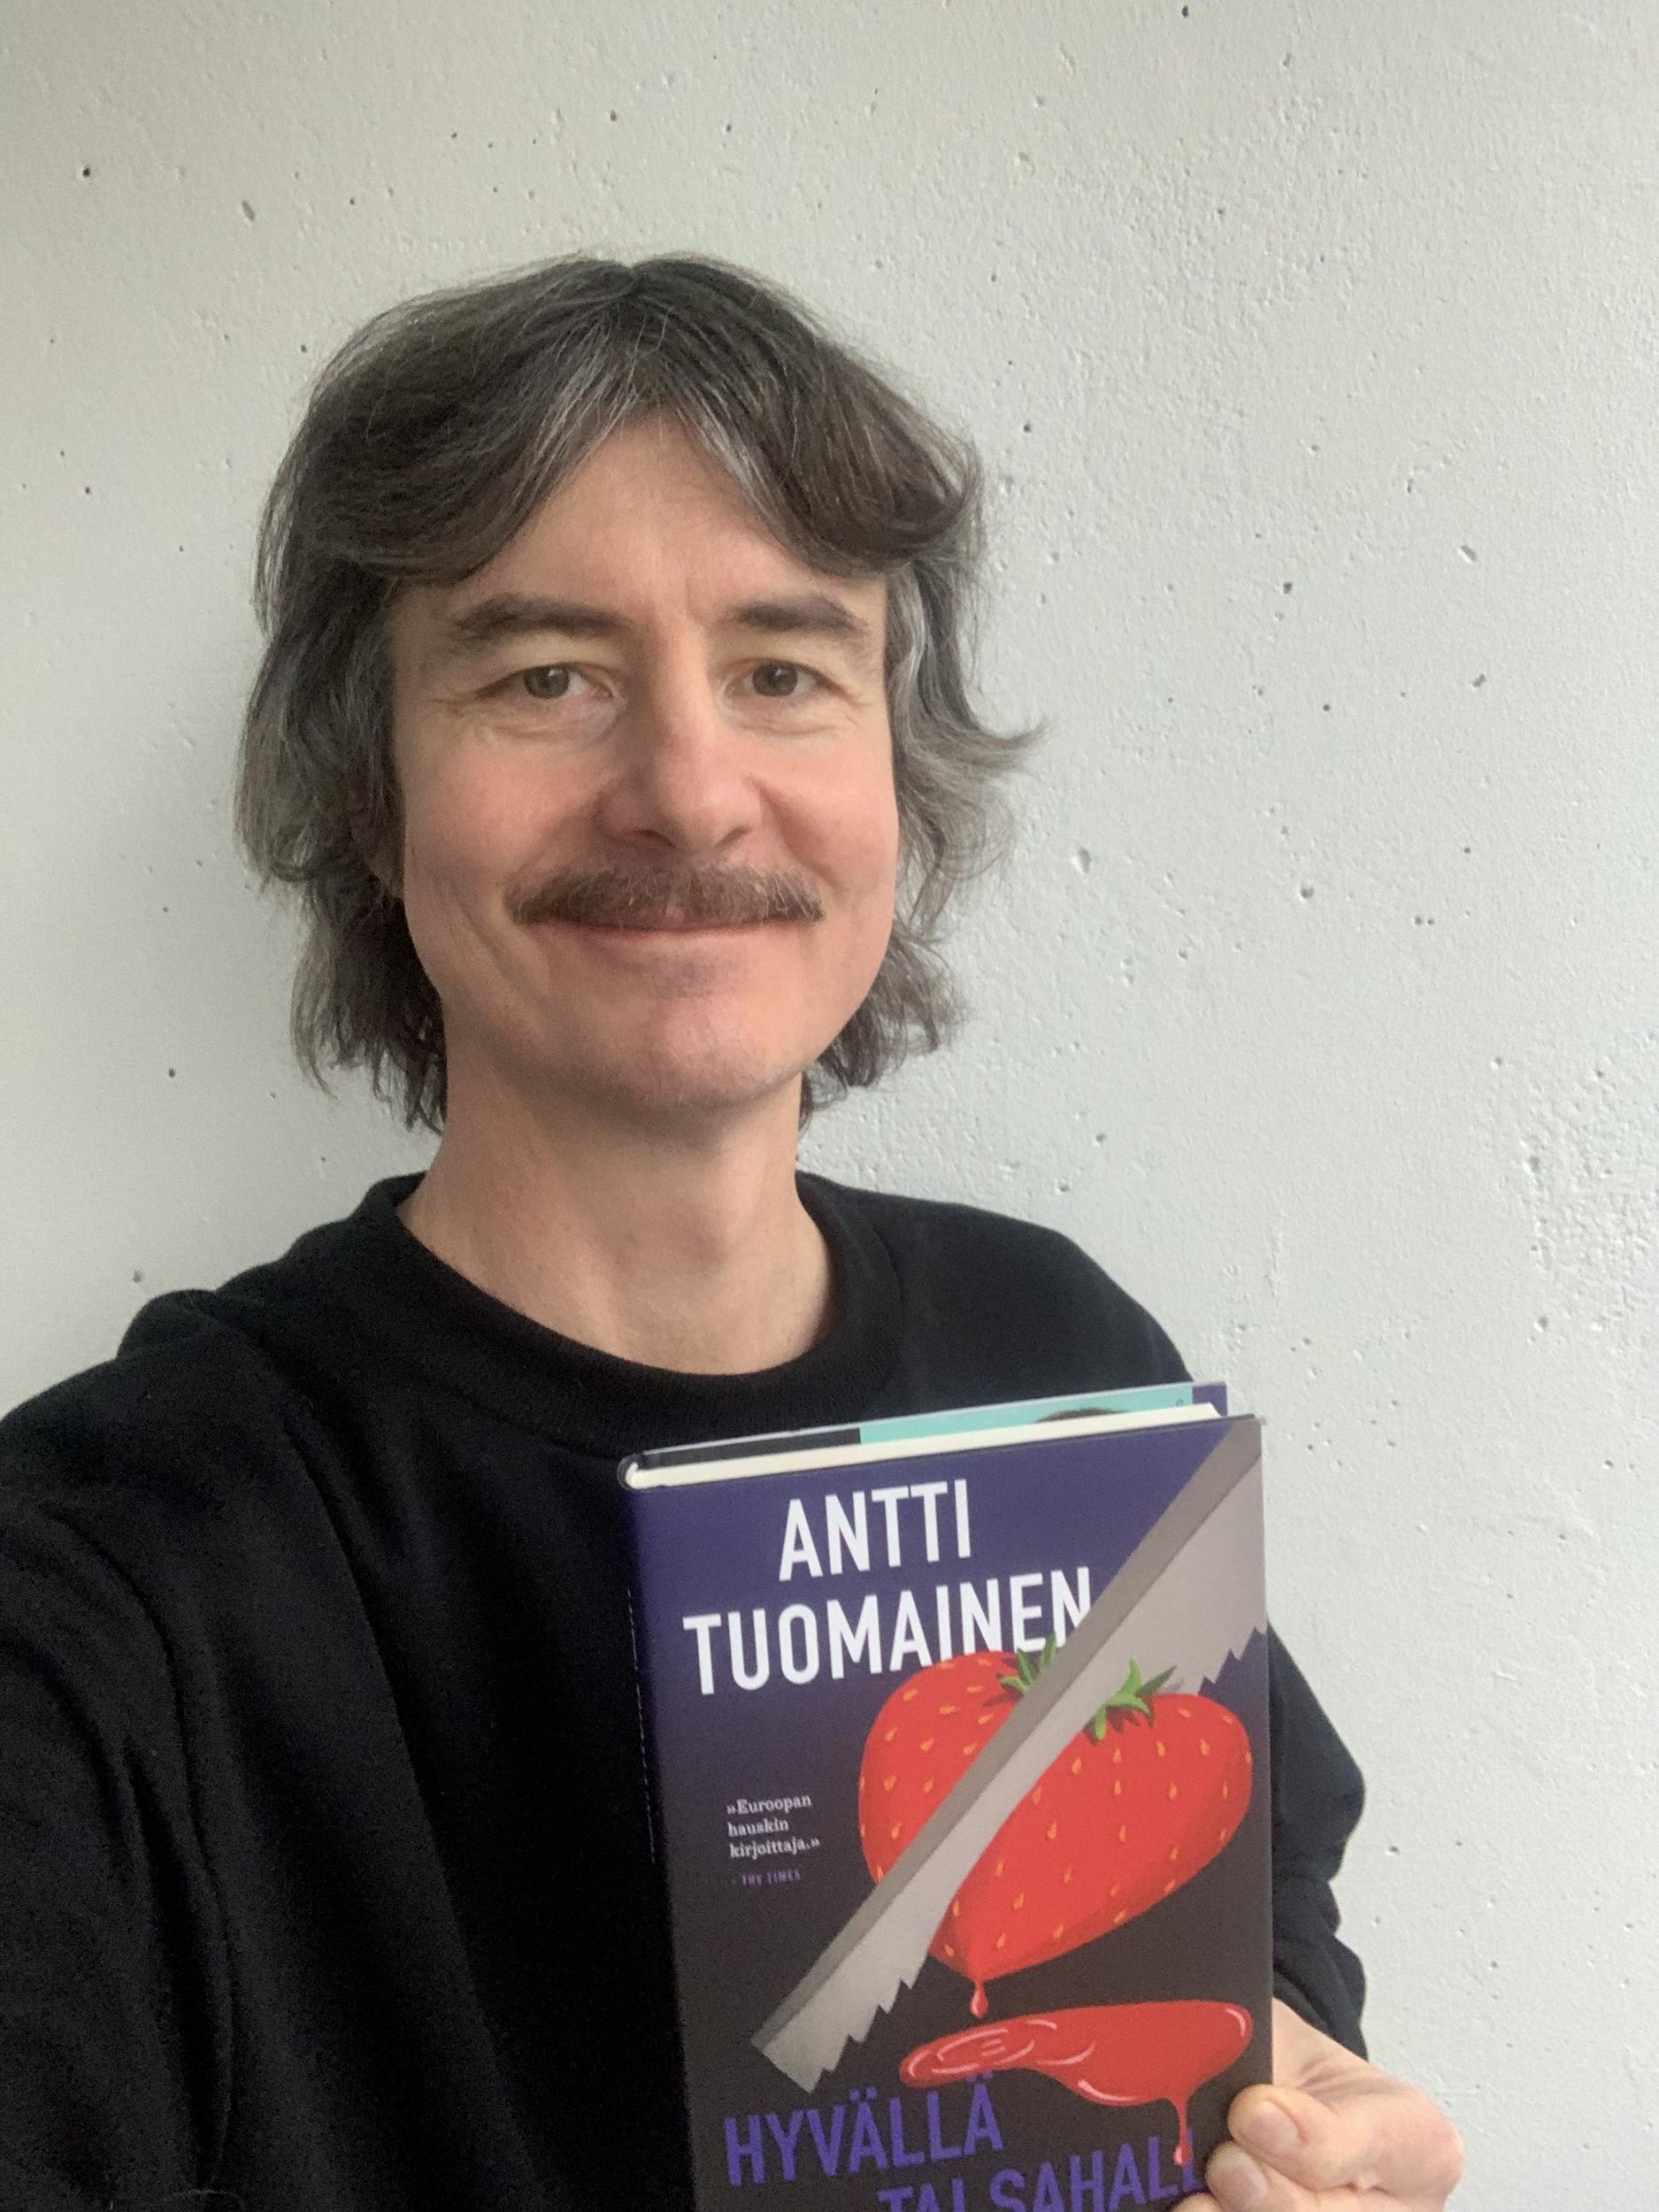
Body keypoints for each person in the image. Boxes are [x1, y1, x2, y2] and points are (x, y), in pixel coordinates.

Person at [0, 255, 1463, 2212]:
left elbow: (1251, 1914)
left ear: (891, 778)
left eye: (783, 669)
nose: (689, 793)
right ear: (369, 793)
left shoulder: (1057, 1358)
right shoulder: (107, 1573)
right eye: (546, 675)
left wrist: (1289, 2125)